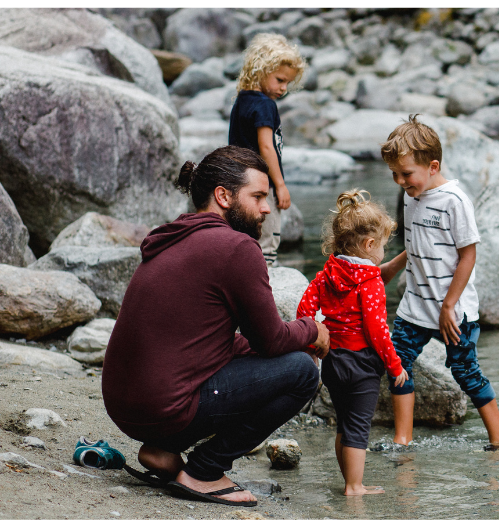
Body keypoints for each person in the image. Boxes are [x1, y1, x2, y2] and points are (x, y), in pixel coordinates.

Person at [102, 146, 330, 508]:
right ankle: (205, 470)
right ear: (223, 196)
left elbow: (212, 341)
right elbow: (272, 340)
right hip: (165, 407)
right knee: (302, 371)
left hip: (125, 406)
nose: (266, 208)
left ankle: (164, 448)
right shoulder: (236, 247)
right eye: (257, 197)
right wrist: (312, 331)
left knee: (278, 355)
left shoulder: (172, 236)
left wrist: (281, 340)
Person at [376, 115, 499, 451]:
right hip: (416, 303)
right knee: (398, 361)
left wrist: (449, 305)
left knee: (466, 372)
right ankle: (403, 438)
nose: (399, 181)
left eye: (405, 173)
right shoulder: (411, 195)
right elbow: (419, 242)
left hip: (452, 309)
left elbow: (468, 255)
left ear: (433, 165)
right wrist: (393, 266)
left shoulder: (455, 201)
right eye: (394, 174)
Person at [296, 189, 409, 496]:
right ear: (369, 245)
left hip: (333, 361)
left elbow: (304, 311)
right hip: (361, 364)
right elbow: (377, 329)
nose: (383, 251)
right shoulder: (370, 281)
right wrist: (394, 364)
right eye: (384, 246)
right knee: (358, 427)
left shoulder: (326, 273)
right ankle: (354, 486)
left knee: (343, 424)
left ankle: (348, 480)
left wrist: (313, 349)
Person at [227, 33, 305, 266]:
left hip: (239, 182)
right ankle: (265, 277)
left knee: (243, 236)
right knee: (266, 240)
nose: (284, 88)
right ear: (261, 70)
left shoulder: (242, 100)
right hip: (262, 184)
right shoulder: (265, 105)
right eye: (280, 80)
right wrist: (280, 186)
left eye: (288, 83)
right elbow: (266, 146)